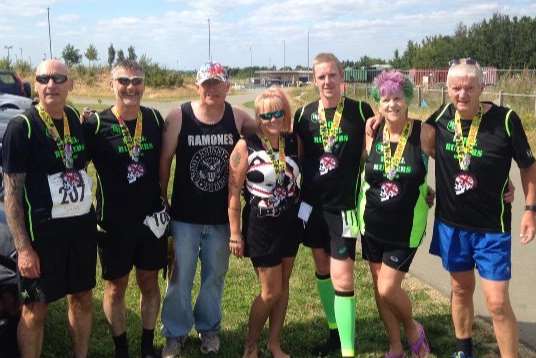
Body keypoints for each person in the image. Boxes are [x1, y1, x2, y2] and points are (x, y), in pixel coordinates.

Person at [421, 58, 536, 358]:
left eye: (469, 87)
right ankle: (464, 350)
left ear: (482, 87)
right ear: (447, 90)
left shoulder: (506, 119)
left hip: (492, 229)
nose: (462, 94)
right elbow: (418, 144)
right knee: (460, 290)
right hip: (452, 225)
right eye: (456, 88)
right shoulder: (442, 117)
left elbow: (528, 166)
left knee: (497, 302)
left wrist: (530, 209)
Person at [160, 62, 257, 357]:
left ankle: (209, 329)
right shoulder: (180, 116)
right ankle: (175, 334)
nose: (212, 89)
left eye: (218, 84)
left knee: (214, 277)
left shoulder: (238, 117)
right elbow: (165, 160)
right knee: (179, 277)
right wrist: (162, 199)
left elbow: (268, 130)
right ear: (197, 86)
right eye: (206, 84)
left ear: (228, 87)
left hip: (221, 219)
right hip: (185, 217)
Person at [2, 59, 97, 358]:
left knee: (81, 298)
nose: (51, 85)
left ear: (70, 84)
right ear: (36, 83)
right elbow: (12, 195)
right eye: (43, 79)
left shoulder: (73, 119)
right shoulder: (22, 127)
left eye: (58, 78)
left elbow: (79, 165)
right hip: (41, 237)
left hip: (80, 231)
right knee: (35, 309)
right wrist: (24, 249)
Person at [82, 59, 167, 358]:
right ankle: (122, 349)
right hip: (113, 224)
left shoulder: (155, 120)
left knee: (149, 282)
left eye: (137, 81)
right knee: (115, 288)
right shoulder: (94, 125)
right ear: (111, 84)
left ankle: (147, 346)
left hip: (150, 222)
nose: (131, 87)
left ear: (144, 84)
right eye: (123, 81)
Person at [293, 53, 374, 357]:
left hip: (344, 209)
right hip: (312, 207)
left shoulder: (361, 110)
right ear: (314, 80)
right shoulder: (303, 115)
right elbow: (298, 159)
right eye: (321, 77)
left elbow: (383, 148)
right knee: (322, 269)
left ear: (342, 76)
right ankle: (333, 332)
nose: (327, 82)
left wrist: (423, 187)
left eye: (332, 75)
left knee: (344, 277)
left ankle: (348, 350)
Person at [358, 71, 431, 358]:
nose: (392, 105)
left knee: (389, 288)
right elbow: (368, 169)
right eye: (386, 99)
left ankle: (412, 329)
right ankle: (395, 345)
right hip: (372, 222)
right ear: (379, 102)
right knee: (379, 288)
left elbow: (458, 165)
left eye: (397, 98)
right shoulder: (372, 130)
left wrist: (505, 184)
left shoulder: (424, 132)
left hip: (407, 227)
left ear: (408, 99)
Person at [228, 88, 301, 358]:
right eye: (266, 114)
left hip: (289, 224)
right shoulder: (246, 145)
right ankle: (250, 343)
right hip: (261, 226)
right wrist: (235, 233)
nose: (272, 119)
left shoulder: (294, 141)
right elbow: (234, 192)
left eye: (278, 112)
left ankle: (274, 343)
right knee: (270, 292)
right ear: (258, 117)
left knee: (283, 287)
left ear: (286, 113)